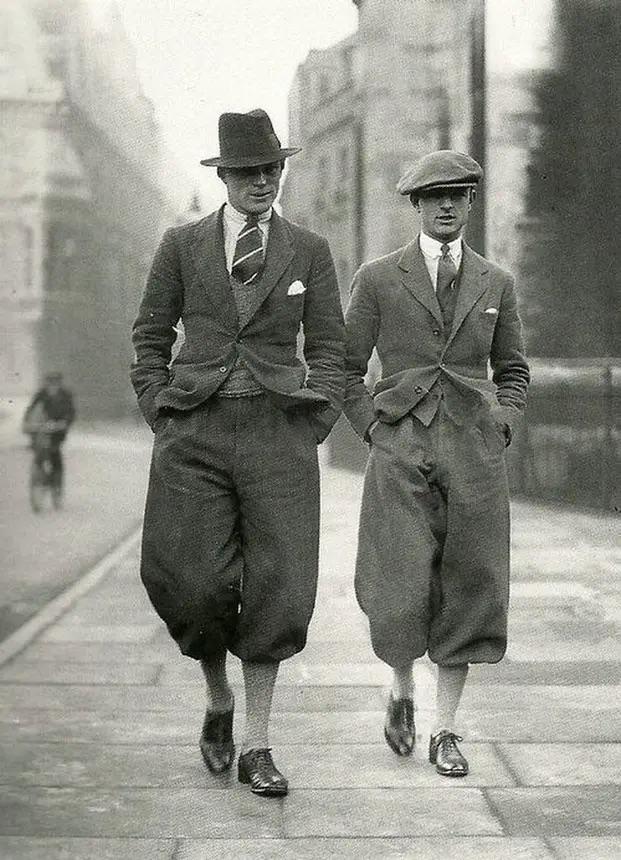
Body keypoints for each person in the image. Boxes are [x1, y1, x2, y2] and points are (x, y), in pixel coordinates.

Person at [131, 109, 345, 797]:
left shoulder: (308, 250)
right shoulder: (182, 245)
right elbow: (149, 337)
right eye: (248, 172)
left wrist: (312, 424)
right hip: (194, 431)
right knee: (192, 585)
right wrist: (162, 414)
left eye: (271, 170)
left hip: (279, 435)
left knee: (280, 589)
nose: (261, 183)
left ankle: (257, 741)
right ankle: (217, 697)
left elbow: (334, 352)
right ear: (223, 176)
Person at [344, 150, 529, 777]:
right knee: (398, 581)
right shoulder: (377, 278)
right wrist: (371, 426)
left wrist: (501, 417)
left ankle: (445, 729)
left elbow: (514, 369)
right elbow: (345, 367)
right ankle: (401, 690)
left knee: (472, 583)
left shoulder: (495, 282)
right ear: (416, 206)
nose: (446, 205)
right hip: (400, 447)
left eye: (457, 195)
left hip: (474, 454)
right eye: (433, 197)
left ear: (471, 202)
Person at [23, 371, 75, 490]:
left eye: (55, 382)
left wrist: (65, 423)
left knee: (54, 452)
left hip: (58, 428)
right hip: (42, 426)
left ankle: (57, 482)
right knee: (38, 448)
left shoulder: (66, 395)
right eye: (50, 382)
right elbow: (31, 408)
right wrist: (27, 422)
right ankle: (38, 472)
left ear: (59, 383)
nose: (53, 385)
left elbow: (71, 412)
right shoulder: (41, 394)